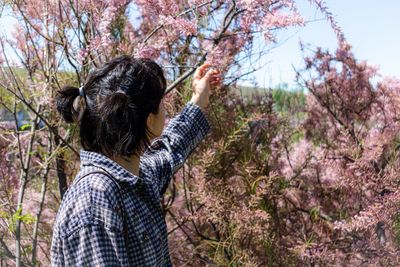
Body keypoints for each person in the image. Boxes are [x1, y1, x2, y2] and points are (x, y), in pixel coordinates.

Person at [51, 55, 220, 266]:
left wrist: (199, 98)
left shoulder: (132, 177)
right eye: (162, 103)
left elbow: (169, 149)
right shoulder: (95, 200)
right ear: (149, 120)